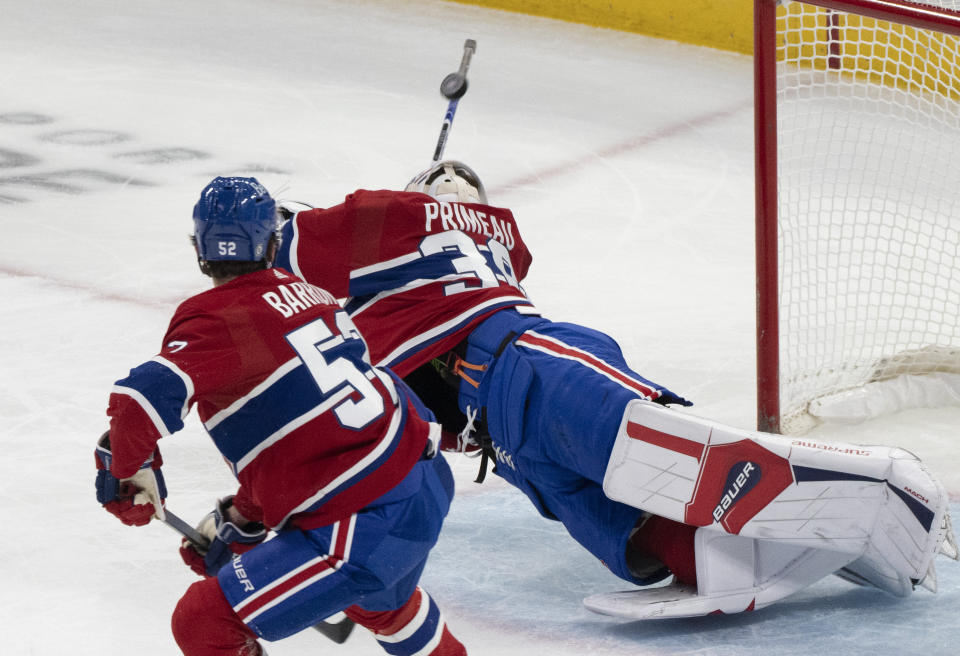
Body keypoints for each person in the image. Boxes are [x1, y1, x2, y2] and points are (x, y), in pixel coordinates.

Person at [268, 161, 955, 613]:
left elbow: (281, 238)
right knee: (639, 535)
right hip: (506, 429)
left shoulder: (380, 234)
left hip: (525, 364)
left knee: (662, 454)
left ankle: (874, 483)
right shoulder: (469, 246)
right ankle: (805, 544)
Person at [94, 177, 467, 655]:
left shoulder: (215, 318)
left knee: (204, 619)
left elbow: (139, 401)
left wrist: (127, 468)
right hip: (422, 477)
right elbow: (308, 421)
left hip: (364, 518)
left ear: (200, 252)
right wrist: (244, 514)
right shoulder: (313, 297)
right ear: (272, 244)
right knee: (385, 606)